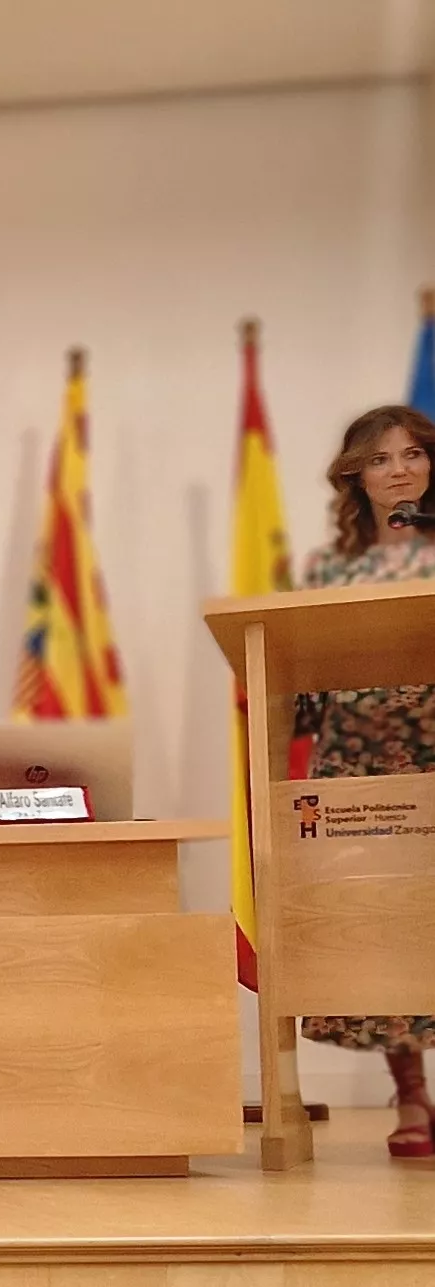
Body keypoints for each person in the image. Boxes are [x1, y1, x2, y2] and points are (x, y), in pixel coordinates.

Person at [293, 403, 435, 1160]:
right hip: (358, 765)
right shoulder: (329, 570)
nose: (398, 470)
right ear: (356, 476)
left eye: (412, 454)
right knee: (383, 929)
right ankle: (410, 1093)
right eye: (379, 459)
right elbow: (303, 680)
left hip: (434, 752)